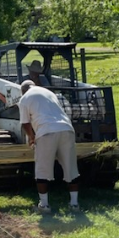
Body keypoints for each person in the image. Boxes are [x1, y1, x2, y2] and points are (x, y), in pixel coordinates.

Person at [19, 81, 80, 214]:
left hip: (46, 132)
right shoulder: (49, 93)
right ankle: (74, 204)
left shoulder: (25, 98)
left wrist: (31, 137)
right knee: (71, 168)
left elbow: (25, 123)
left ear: (23, 91)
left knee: (42, 170)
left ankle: (44, 206)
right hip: (67, 129)